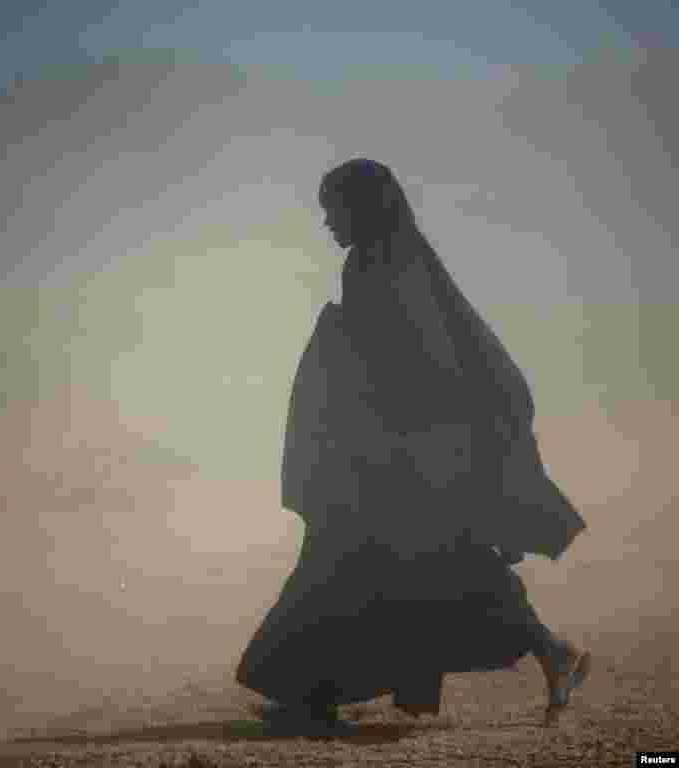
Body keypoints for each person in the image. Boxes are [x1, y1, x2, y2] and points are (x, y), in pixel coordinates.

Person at [235, 158, 590, 736]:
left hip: (414, 455)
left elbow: (425, 363)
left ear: (365, 207)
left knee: (380, 567)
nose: (327, 223)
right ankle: (552, 653)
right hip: (398, 452)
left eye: (334, 209)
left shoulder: (389, 265)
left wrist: (407, 441)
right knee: (389, 568)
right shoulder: (382, 261)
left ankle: (312, 693)